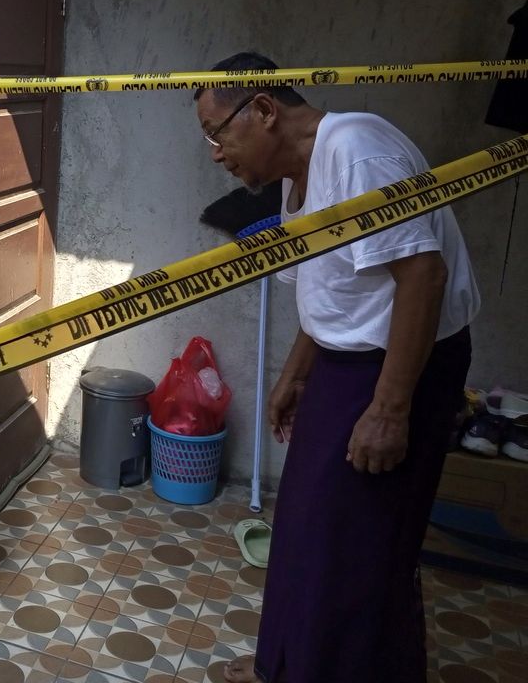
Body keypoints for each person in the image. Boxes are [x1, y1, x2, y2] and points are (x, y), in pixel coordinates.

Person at [194, 52, 480, 683]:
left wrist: (390, 409)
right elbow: (332, 289)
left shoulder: (357, 150)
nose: (216, 154)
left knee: (359, 547)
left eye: (217, 133)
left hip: (397, 369)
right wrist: (297, 374)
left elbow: (423, 277)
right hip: (343, 367)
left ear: (264, 109)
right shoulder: (298, 179)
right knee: (304, 528)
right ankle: (284, 667)